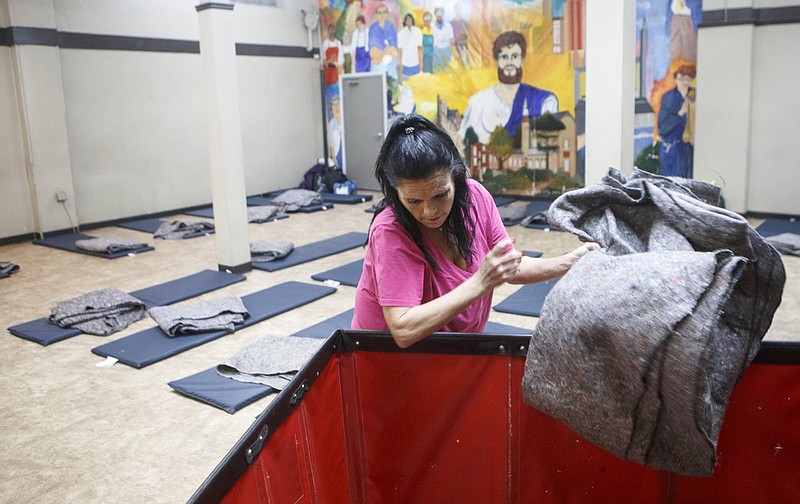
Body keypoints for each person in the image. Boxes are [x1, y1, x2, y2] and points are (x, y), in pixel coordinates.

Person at [352, 115, 599, 348]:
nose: (430, 211)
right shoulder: (390, 229)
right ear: (396, 193)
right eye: (414, 201)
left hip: (452, 351)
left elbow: (508, 267)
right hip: (385, 361)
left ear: (455, 177)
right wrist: (481, 281)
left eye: (440, 194)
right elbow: (403, 330)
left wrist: (572, 261)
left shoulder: (475, 197)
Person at [458, 31, 558, 146]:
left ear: (522, 60)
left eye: (514, 56)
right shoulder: (478, 103)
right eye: (504, 57)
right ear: (496, 61)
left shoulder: (545, 101)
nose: (509, 62)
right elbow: (462, 144)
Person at [658, 64, 696, 178]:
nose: (684, 82)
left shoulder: (693, 94)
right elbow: (662, 125)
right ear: (675, 79)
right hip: (673, 143)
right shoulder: (669, 97)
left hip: (690, 144)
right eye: (680, 78)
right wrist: (680, 113)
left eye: (687, 79)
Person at [368, 3, 399, 80]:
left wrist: (382, 55)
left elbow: (394, 50)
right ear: (377, 15)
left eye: (384, 12)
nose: (382, 15)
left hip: (389, 61)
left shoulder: (391, 27)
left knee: (392, 81)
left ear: (387, 14)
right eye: (379, 13)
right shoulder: (373, 29)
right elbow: (373, 51)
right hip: (377, 64)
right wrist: (384, 54)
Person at [397, 12, 423, 79]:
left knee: (416, 85)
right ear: (405, 21)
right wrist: (400, 64)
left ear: (413, 20)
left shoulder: (418, 31)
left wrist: (421, 63)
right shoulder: (400, 34)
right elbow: (400, 50)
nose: (409, 21)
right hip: (405, 63)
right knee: (406, 86)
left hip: (416, 63)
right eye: (407, 19)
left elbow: (420, 48)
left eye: (410, 19)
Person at [431, 6, 455, 71]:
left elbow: (452, 39)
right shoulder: (431, 25)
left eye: (441, 12)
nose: (439, 14)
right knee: (437, 70)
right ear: (435, 14)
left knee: (447, 70)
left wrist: (453, 51)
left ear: (443, 14)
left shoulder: (448, 25)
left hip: (447, 50)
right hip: (436, 50)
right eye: (437, 12)